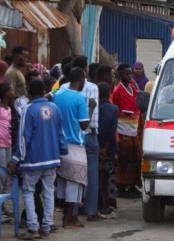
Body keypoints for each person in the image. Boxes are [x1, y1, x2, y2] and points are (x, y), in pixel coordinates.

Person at [11, 80, 68, 239]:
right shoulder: (55, 108)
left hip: (33, 160)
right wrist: (62, 152)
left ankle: (33, 227)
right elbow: (60, 134)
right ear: (44, 91)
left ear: (29, 92)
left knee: (29, 191)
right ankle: (47, 226)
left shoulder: (28, 110)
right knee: (49, 192)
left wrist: (16, 159)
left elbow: (24, 138)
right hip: (52, 158)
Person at [60, 56, 100, 221]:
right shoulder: (92, 88)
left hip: (64, 138)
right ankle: (90, 211)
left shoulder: (62, 89)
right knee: (89, 175)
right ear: (84, 73)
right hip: (87, 135)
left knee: (68, 176)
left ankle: (72, 212)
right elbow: (90, 119)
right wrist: (91, 110)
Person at [53, 67, 89, 228]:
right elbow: (84, 124)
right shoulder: (80, 98)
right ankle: (69, 218)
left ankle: (63, 216)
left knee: (61, 180)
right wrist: (92, 108)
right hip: (74, 144)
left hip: (58, 143)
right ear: (81, 80)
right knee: (75, 182)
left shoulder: (58, 94)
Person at [111, 64, 141, 196]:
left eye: (130, 74)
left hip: (133, 129)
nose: (130, 76)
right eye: (126, 74)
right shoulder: (118, 91)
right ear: (120, 75)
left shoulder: (132, 88)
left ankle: (133, 184)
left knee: (135, 158)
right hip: (123, 131)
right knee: (125, 159)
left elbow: (138, 100)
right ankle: (123, 186)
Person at [97, 82, 119, 218]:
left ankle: (98, 204)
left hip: (95, 146)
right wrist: (106, 148)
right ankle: (109, 205)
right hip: (109, 148)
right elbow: (112, 133)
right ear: (109, 93)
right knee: (109, 177)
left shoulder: (92, 107)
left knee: (98, 178)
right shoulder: (113, 109)